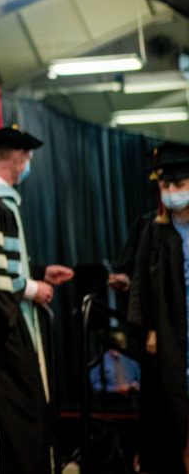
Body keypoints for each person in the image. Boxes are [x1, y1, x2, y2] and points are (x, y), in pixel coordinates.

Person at [0, 126, 74, 474]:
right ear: (17, 158)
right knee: (21, 424)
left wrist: (40, 272)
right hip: (5, 342)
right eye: (27, 159)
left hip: (0, 331)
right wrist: (32, 289)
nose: (27, 165)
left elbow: (2, 263)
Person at [129, 142, 189, 473]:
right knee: (174, 422)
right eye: (165, 186)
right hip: (170, 339)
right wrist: (149, 329)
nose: (171, 192)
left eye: (178, 185)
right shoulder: (155, 231)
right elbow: (141, 285)